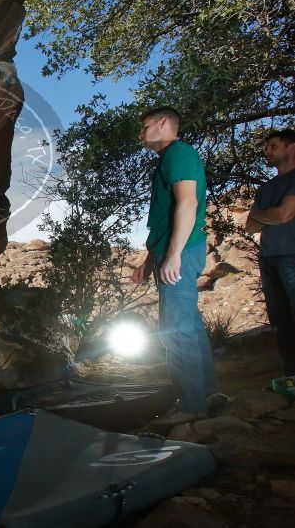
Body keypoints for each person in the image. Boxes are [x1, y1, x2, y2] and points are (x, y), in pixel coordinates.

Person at [131, 107, 224, 419]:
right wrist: (150, 258)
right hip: (172, 250)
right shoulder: (170, 159)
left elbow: (188, 203)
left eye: (145, 127)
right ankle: (209, 395)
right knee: (191, 327)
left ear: (163, 123)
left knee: (175, 330)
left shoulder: (179, 154)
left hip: (181, 252)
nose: (141, 134)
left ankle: (191, 408)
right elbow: (166, 217)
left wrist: (173, 256)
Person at [244, 128, 295, 376]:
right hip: (269, 257)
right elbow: (249, 224)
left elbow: (285, 214)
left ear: (291, 147)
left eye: (273, 146)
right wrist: (270, 216)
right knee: (281, 323)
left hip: (292, 255)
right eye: (267, 147)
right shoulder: (266, 188)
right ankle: (290, 377)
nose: (268, 151)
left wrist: (264, 216)